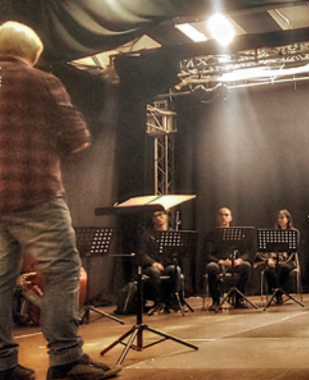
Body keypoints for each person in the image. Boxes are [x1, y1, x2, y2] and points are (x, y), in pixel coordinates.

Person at [0, 21, 121, 380]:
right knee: (63, 270)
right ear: (31, 54)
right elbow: (76, 135)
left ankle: (3, 365)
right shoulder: (42, 81)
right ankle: (66, 360)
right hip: (34, 190)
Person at [204, 207, 253, 311]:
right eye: (221, 215)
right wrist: (221, 262)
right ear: (217, 217)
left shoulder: (238, 234)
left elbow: (247, 252)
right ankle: (216, 301)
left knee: (246, 266)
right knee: (211, 267)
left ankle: (239, 299)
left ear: (231, 218)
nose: (223, 217)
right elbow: (207, 255)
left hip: (235, 262)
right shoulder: (211, 234)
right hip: (219, 263)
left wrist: (239, 260)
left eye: (226, 215)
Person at [138, 210, 182, 313]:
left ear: (166, 216)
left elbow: (177, 254)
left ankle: (172, 302)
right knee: (154, 272)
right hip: (151, 266)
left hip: (167, 265)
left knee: (176, 270)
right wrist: (153, 262)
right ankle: (158, 302)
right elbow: (142, 254)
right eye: (155, 216)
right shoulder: (147, 235)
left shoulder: (172, 234)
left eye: (161, 215)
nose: (158, 218)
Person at [260, 209, 298, 305]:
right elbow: (268, 250)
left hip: (289, 260)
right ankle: (276, 292)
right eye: (278, 218)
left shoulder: (294, 232)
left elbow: (293, 250)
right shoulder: (274, 233)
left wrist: (283, 259)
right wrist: (269, 259)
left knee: (284, 268)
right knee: (268, 271)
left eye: (282, 218)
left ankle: (278, 292)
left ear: (288, 219)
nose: (279, 220)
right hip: (276, 260)